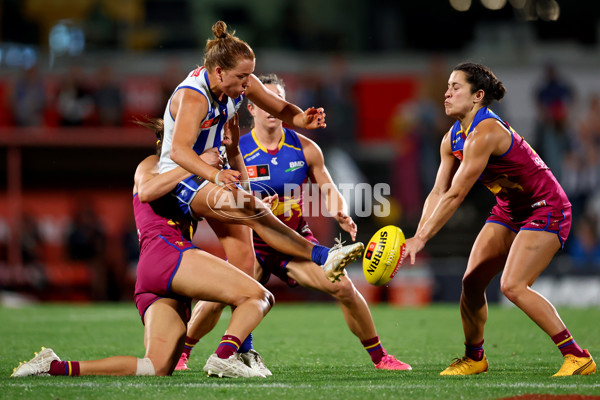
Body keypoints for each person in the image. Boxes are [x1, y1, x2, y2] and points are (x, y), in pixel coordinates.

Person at [176, 74, 411, 372]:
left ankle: (381, 358)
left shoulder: (306, 148)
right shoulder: (237, 150)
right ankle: (182, 355)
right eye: (266, 102)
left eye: (278, 102)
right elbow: (222, 192)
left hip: (294, 244)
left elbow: (328, 187)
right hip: (253, 245)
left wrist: (341, 211)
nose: (272, 110)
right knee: (215, 298)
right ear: (253, 108)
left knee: (344, 288)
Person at [11, 121, 274, 379]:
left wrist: (241, 169)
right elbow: (147, 190)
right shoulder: (153, 163)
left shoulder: (195, 172)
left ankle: (53, 366)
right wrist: (197, 161)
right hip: (169, 255)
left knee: (155, 367)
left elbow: (241, 206)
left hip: (156, 274)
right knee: (258, 296)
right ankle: (225, 356)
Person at [404, 62, 596, 377]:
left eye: (456, 87)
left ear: (478, 95)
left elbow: (456, 195)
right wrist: (417, 233)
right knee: (471, 282)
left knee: (512, 285)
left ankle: (577, 356)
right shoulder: (451, 138)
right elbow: (438, 191)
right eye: (448, 87)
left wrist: (422, 238)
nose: (446, 93)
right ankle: (474, 358)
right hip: (510, 209)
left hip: (546, 207)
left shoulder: (485, 133)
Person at [157, 20, 363, 288]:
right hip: (180, 179)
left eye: (250, 75)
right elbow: (178, 151)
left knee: (244, 271)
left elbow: (281, 108)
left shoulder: (238, 82)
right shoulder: (195, 96)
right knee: (254, 208)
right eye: (242, 77)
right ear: (219, 72)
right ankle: (323, 255)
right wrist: (216, 175)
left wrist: (302, 119)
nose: (248, 84)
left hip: (211, 175)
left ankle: (233, 333)